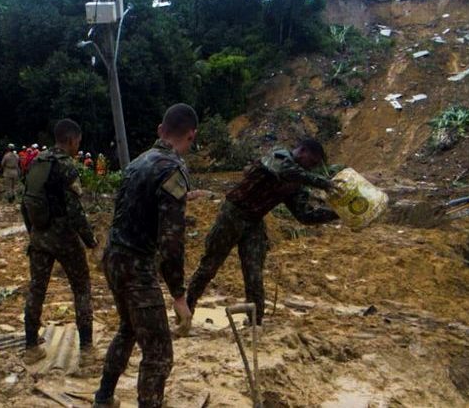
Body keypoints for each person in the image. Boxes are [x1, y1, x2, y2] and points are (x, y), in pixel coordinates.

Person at [95, 104, 198, 408]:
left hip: (113, 257)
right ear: (191, 136)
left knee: (128, 329)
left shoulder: (138, 162)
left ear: (159, 130)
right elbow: (171, 243)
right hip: (136, 266)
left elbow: (135, 210)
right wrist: (179, 296)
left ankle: (103, 398)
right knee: (159, 354)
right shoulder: (173, 169)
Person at [186, 139, 338, 325]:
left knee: (254, 274)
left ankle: (255, 322)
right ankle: (186, 309)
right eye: (312, 162)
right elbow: (284, 170)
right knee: (209, 266)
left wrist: (337, 214)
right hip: (233, 214)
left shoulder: (297, 182)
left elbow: (305, 216)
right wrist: (323, 183)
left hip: (254, 222)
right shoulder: (279, 156)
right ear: (302, 151)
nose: (311, 168)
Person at [21, 119, 98, 366]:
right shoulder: (66, 167)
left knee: (36, 289)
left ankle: (31, 346)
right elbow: (75, 212)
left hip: (40, 237)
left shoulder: (37, 162)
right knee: (82, 288)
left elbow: (25, 202)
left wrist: (33, 232)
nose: (78, 146)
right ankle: (86, 349)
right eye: (78, 142)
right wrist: (91, 242)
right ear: (71, 140)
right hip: (65, 239)